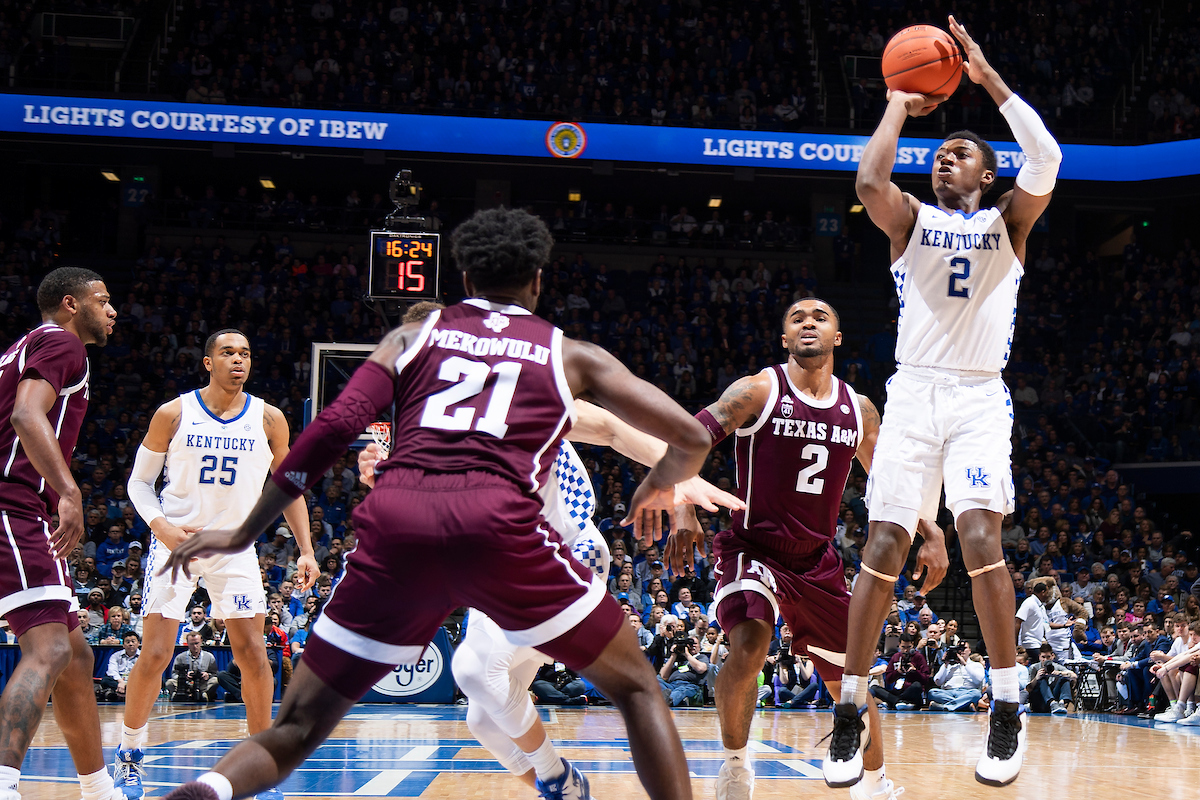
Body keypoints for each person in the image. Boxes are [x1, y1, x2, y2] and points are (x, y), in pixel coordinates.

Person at [158, 207, 712, 800]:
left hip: (400, 526)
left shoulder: (412, 337)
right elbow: (694, 437)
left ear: (465, 281)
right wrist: (661, 482)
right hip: (499, 530)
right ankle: (559, 777)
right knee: (635, 689)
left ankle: (209, 790)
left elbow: (336, 425)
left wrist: (245, 531)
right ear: (538, 282)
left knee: (294, 727)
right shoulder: (568, 354)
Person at [825, 14, 1062, 790]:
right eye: (937, 155)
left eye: (957, 154)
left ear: (987, 174)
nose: (941, 162)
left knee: (976, 527)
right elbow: (867, 184)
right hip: (914, 390)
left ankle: (1005, 703)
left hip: (976, 397)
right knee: (885, 544)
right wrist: (897, 102)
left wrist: (988, 79)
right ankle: (849, 710)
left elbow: (1049, 157)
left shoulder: (1009, 224)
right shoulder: (911, 222)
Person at [665, 296, 946, 800]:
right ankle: (735, 765)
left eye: (821, 318)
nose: (809, 323)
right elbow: (690, 436)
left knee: (850, 682)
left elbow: (890, 484)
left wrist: (932, 530)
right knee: (750, 645)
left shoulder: (858, 409)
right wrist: (683, 500)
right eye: (798, 318)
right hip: (752, 546)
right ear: (785, 338)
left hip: (817, 561)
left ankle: (875, 784)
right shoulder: (757, 390)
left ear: (837, 337)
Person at [116, 328, 318, 800]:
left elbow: (288, 487)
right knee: (157, 654)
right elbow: (138, 484)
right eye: (227, 353)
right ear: (208, 362)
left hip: (236, 547)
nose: (238, 360)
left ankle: (260, 767)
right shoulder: (173, 413)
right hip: (176, 546)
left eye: (245, 353)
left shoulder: (270, 420)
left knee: (253, 653)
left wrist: (306, 549)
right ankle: (129, 755)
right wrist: (161, 525)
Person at [0, 266, 123, 800]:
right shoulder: (63, 343)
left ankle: (98, 789)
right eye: (103, 299)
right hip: (12, 503)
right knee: (49, 649)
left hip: (18, 506)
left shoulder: (25, 345)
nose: (113, 310)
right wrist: (69, 492)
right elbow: (28, 416)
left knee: (75, 656)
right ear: (71, 305)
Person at [929, 642, 986, 712]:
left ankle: (945, 707)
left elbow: (978, 680)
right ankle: (964, 706)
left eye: (964, 648)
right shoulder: (949, 665)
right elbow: (938, 682)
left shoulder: (976, 665)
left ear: (970, 651)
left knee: (976, 694)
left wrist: (965, 664)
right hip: (948, 692)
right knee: (932, 692)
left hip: (966, 692)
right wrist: (945, 664)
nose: (962, 651)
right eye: (959, 649)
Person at [659, 633, 709, 707]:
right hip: (671, 685)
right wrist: (673, 655)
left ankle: (668, 701)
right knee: (657, 680)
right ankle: (664, 698)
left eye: (694, 643)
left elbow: (701, 669)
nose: (692, 646)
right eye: (689, 644)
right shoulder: (677, 658)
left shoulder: (701, 657)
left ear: (699, 646)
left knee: (681, 690)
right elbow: (663, 676)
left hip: (689, 685)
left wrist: (687, 654)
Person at [166, 632, 219, 701]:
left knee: (215, 681)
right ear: (187, 643)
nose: (194, 646)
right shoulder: (180, 657)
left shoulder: (209, 656)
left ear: (201, 642)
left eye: (197, 643)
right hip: (185, 683)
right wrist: (184, 676)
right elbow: (174, 674)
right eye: (191, 644)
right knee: (169, 682)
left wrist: (207, 675)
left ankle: (204, 694)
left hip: (202, 683)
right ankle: (180, 693)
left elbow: (215, 673)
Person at [1026, 644, 1076, 714]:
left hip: (1055, 697)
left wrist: (1059, 673)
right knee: (1041, 679)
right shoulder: (1034, 667)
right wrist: (1036, 678)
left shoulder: (1057, 667)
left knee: (1065, 678)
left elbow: (1074, 676)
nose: (1045, 660)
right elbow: (1028, 689)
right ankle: (1052, 702)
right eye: (1043, 657)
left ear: (1053, 656)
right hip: (1039, 700)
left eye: (1048, 657)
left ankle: (1062, 702)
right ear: (1039, 657)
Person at [99, 632, 142, 702]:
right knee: (105, 680)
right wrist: (121, 682)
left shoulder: (144, 656)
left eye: (133, 641)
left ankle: (123, 693)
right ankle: (131, 692)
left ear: (138, 643)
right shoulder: (115, 656)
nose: (130, 644)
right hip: (120, 681)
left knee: (160, 680)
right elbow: (112, 671)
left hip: (137, 681)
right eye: (127, 642)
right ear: (123, 645)